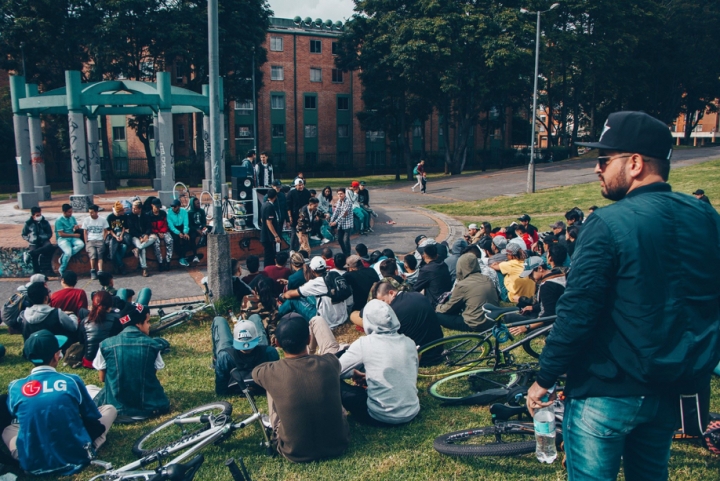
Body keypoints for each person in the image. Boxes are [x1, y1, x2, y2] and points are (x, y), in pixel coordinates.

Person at [526, 110, 720, 481]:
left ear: (634, 163)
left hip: (608, 388)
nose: (597, 168)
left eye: (603, 160)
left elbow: (577, 313)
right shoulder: (706, 217)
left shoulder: (608, 223)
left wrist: (544, 378)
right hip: (672, 387)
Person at [3, 330, 117, 476]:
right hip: (76, 457)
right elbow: (92, 415)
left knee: (9, 430)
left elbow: (16, 413)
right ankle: (91, 446)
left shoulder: (15, 387)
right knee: (109, 409)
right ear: (56, 355)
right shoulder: (72, 381)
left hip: (32, 463)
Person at [252, 315, 349, 462]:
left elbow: (255, 373)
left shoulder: (269, 371)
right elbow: (332, 356)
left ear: (277, 343)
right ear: (309, 339)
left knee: (271, 382)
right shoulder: (330, 362)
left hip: (293, 451)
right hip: (338, 444)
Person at [339, 299, 420, 425]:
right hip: (412, 411)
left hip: (380, 416)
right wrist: (369, 377)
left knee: (333, 382)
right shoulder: (409, 342)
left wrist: (352, 372)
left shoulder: (364, 343)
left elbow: (335, 371)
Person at [93, 303, 170, 418]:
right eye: (148, 321)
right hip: (149, 409)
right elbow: (149, 375)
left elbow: (102, 378)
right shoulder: (153, 345)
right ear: (138, 324)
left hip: (116, 411)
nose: (149, 325)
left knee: (90, 389)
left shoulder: (105, 345)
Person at [372, 281, 444, 364]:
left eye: (383, 301)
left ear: (391, 293)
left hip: (420, 357)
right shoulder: (418, 295)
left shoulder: (391, 311)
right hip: (439, 346)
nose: (383, 305)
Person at [212, 317, 279, 395]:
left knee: (219, 320)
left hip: (233, 354)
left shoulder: (224, 357)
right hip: (239, 353)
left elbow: (221, 391)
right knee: (220, 320)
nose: (246, 349)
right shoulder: (269, 353)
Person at [507, 253, 567, 337]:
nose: (530, 278)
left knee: (509, 316)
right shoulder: (557, 274)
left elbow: (548, 315)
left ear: (540, 268)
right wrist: (533, 307)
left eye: (531, 274)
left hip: (551, 324)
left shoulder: (547, 286)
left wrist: (527, 327)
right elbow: (552, 302)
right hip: (562, 317)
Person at [435, 252, 499, 332]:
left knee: (438, 316)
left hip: (475, 325)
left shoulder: (462, 285)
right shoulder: (487, 279)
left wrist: (438, 307)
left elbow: (449, 307)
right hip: (492, 321)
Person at [282, 257, 349, 329]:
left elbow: (290, 294)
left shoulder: (314, 283)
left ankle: (276, 316)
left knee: (292, 300)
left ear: (312, 270)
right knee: (308, 296)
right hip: (342, 317)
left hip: (326, 322)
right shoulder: (334, 274)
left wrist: (283, 295)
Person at [79, 291, 122, 368]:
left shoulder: (84, 321)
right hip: (107, 360)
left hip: (89, 361)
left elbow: (82, 341)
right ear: (110, 305)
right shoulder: (116, 320)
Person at [21, 206, 56, 276]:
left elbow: (49, 233)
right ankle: (37, 272)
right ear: (33, 216)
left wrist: (45, 237)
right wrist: (29, 239)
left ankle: (31, 253)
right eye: (37, 215)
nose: (39, 216)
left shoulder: (45, 222)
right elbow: (23, 234)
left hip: (44, 241)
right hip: (33, 242)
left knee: (49, 247)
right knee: (35, 257)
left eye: (40, 214)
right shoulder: (28, 223)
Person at [55, 204, 84, 277]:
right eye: (69, 212)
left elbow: (75, 226)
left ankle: (63, 257)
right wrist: (74, 235)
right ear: (64, 212)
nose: (71, 214)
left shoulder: (72, 218)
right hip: (63, 239)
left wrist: (76, 227)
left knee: (81, 244)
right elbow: (61, 234)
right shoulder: (59, 220)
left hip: (72, 237)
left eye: (71, 212)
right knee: (68, 252)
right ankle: (62, 268)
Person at [127, 200, 154, 277]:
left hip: (145, 236)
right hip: (135, 236)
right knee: (143, 249)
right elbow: (132, 230)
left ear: (140, 209)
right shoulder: (130, 217)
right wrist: (140, 237)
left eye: (135, 209)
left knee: (154, 238)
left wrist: (146, 235)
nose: (133, 210)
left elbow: (149, 227)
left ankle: (137, 249)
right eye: (132, 208)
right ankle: (144, 268)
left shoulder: (146, 216)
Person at [105, 201, 132, 275]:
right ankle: (121, 265)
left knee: (124, 246)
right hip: (113, 236)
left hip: (121, 234)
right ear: (118, 211)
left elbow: (124, 227)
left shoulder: (123, 216)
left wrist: (121, 235)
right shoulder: (110, 217)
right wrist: (116, 236)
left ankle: (117, 264)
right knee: (114, 249)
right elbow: (109, 230)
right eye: (122, 211)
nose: (123, 212)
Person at [286, 178, 312, 251]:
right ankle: (292, 249)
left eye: (302, 185)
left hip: (304, 216)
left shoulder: (306, 192)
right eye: (299, 185)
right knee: (294, 233)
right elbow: (288, 206)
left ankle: (301, 249)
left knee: (304, 234)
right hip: (294, 216)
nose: (301, 187)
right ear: (295, 186)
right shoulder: (291, 193)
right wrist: (290, 216)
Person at [149, 198, 173, 271]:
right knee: (156, 243)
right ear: (152, 205)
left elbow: (166, 224)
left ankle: (168, 261)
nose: (158, 208)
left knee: (170, 240)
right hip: (154, 232)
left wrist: (162, 232)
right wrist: (158, 232)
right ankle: (160, 263)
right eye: (156, 207)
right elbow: (150, 227)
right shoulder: (149, 215)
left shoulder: (163, 213)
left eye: (159, 207)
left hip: (163, 231)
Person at [261, 189, 282, 268]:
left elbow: (262, 219)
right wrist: (276, 235)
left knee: (269, 255)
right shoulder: (269, 207)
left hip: (265, 235)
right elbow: (269, 222)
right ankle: (268, 270)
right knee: (269, 256)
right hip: (268, 236)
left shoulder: (264, 204)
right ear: (275, 196)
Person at [329, 187, 353, 256]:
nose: (340, 195)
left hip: (347, 224)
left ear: (345, 194)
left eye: (341, 194)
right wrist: (331, 220)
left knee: (346, 240)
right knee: (339, 239)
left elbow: (343, 214)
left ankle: (348, 254)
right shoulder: (339, 201)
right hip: (341, 224)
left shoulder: (348, 202)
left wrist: (335, 222)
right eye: (338, 194)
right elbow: (336, 211)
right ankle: (345, 253)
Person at [167, 199, 191, 267]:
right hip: (174, 229)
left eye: (175, 206)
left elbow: (186, 223)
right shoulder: (169, 212)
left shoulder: (184, 212)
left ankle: (182, 256)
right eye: (172, 206)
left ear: (179, 206)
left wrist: (185, 232)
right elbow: (170, 225)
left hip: (182, 227)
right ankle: (181, 257)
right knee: (176, 239)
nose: (173, 208)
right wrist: (178, 233)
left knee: (187, 239)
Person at [187, 196, 209, 264]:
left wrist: (203, 227)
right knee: (192, 237)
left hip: (201, 227)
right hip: (194, 229)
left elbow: (203, 221)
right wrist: (197, 230)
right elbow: (190, 225)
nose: (199, 205)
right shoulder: (189, 213)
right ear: (193, 204)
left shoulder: (201, 211)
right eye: (197, 203)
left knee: (210, 230)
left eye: (199, 203)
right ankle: (195, 254)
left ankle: (204, 246)